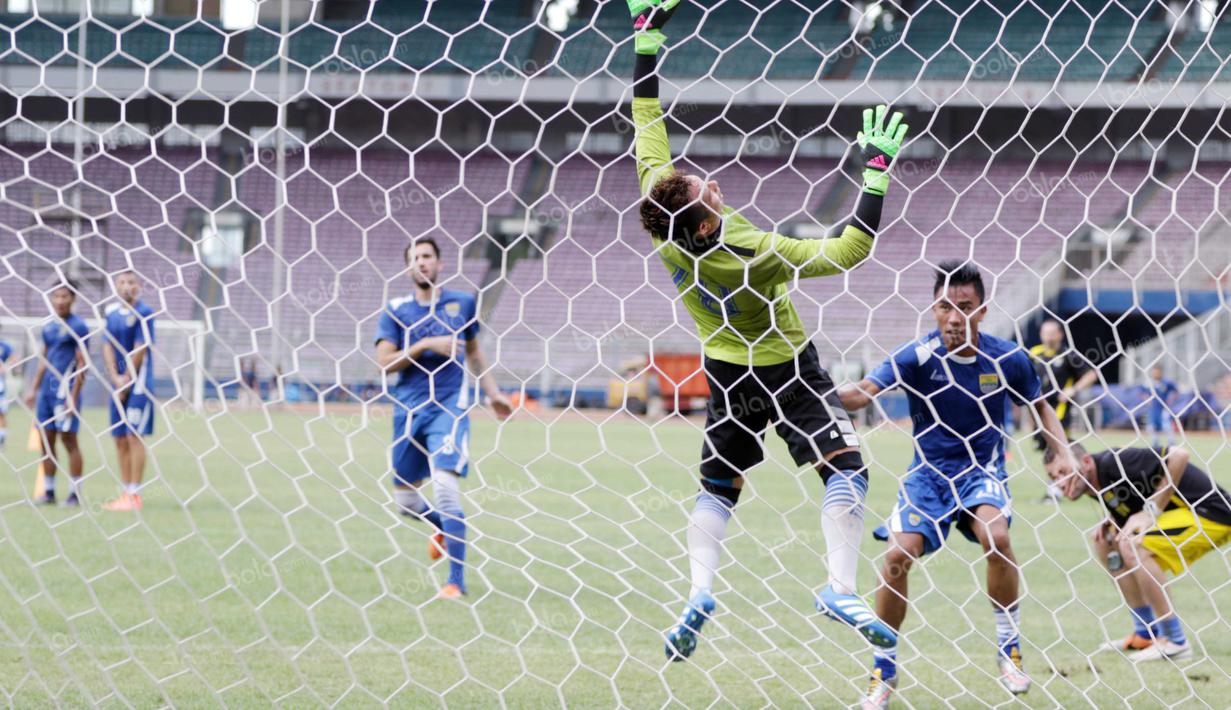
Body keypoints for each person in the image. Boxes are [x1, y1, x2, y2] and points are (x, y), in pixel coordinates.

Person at [626, 0, 909, 660]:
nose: (713, 183)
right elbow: (848, 253)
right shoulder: (754, 247)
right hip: (787, 369)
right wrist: (874, 173)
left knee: (717, 487)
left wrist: (646, 42)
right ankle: (839, 587)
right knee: (846, 471)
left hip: (725, 373)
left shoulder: (667, 235)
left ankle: (697, 591)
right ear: (703, 224)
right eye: (708, 191)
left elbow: (646, 122)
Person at [838, 262, 1075, 708]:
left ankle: (1009, 648)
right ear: (933, 308)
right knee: (894, 557)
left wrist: (1063, 452)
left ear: (981, 311)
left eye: (963, 307)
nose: (953, 317)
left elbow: (1041, 405)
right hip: (927, 475)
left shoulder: (1006, 358)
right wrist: (802, 389)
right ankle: (883, 669)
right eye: (945, 306)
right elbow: (861, 394)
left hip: (982, 470)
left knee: (997, 537)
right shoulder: (917, 356)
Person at [374, 237, 512, 599]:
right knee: (405, 502)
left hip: (449, 407)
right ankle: (444, 529)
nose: (422, 262)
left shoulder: (461, 303)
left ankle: (456, 582)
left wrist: (494, 393)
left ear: (439, 263)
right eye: (415, 258)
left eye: (427, 256)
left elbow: (475, 353)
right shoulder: (395, 310)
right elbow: (384, 363)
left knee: (446, 490)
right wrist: (423, 346)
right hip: (408, 411)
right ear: (408, 268)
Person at [1046, 443, 1231, 662]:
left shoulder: (1114, 462)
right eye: (1053, 477)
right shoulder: (1095, 485)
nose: (1060, 482)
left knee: (1133, 544)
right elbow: (1135, 499)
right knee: (1107, 542)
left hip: (1210, 513)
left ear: (1086, 461)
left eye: (1064, 472)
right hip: (1180, 516)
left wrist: (1150, 511)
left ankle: (1176, 640)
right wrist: (1115, 520)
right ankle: (1145, 633)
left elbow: (1180, 455)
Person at [25, 282, 89, 506]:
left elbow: (83, 364)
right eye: (56, 296)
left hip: (65, 392)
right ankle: (49, 492)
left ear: (73, 299)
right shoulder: (49, 326)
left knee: (69, 439)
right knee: (46, 439)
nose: (60, 301)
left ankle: (74, 493)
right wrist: (34, 388)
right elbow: (45, 358)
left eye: (65, 296)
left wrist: (73, 395)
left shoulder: (78, 326)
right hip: (46, 394)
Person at [101, 271, 156, 511]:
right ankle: (125, 492)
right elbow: (107, 346)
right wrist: (115, 377)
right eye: (122, 282)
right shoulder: (111, 313)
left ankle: (135, 493)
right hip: (118, 383)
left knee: (135, 436)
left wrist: (127, 379)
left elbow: (140, 348)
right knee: (120, 438)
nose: (126, 286)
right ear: (115, 285)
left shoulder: (144, 313)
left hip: (139, 385)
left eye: (131, 282)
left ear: (139, 285)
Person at [1030, 319, 1097, 500]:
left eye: (1052, 333)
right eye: (1045, 333)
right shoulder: (1034, 353)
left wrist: (1072, 390)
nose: (1048, 337)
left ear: (1060, 334)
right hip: (1038, 412)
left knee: (1058, 449)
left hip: (1059, 411)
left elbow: (1092, 374)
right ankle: (1060, 486)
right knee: (1046, 451)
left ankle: (1058, 490)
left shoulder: (1068, 354)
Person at [1145, 365, 1180, 448]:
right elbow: (1141, 392)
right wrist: (1147, 400)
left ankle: (1172, 444)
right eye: (1154, 372)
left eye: (1157, 371)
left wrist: (1171, 400)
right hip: (1153, 409)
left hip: (1164, 408)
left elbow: (1176, 391)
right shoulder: (1149, 383)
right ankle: (1155, 445)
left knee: (1166, 425)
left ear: (1161, 372)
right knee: (1152, 427)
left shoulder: (1167, 382)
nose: (1155, 373)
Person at [0, 335, 14, 451]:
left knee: (1, 414)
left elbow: (15, 358)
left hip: (1, 387)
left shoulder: (4, 346)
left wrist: (5, 367)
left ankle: (2, 441)